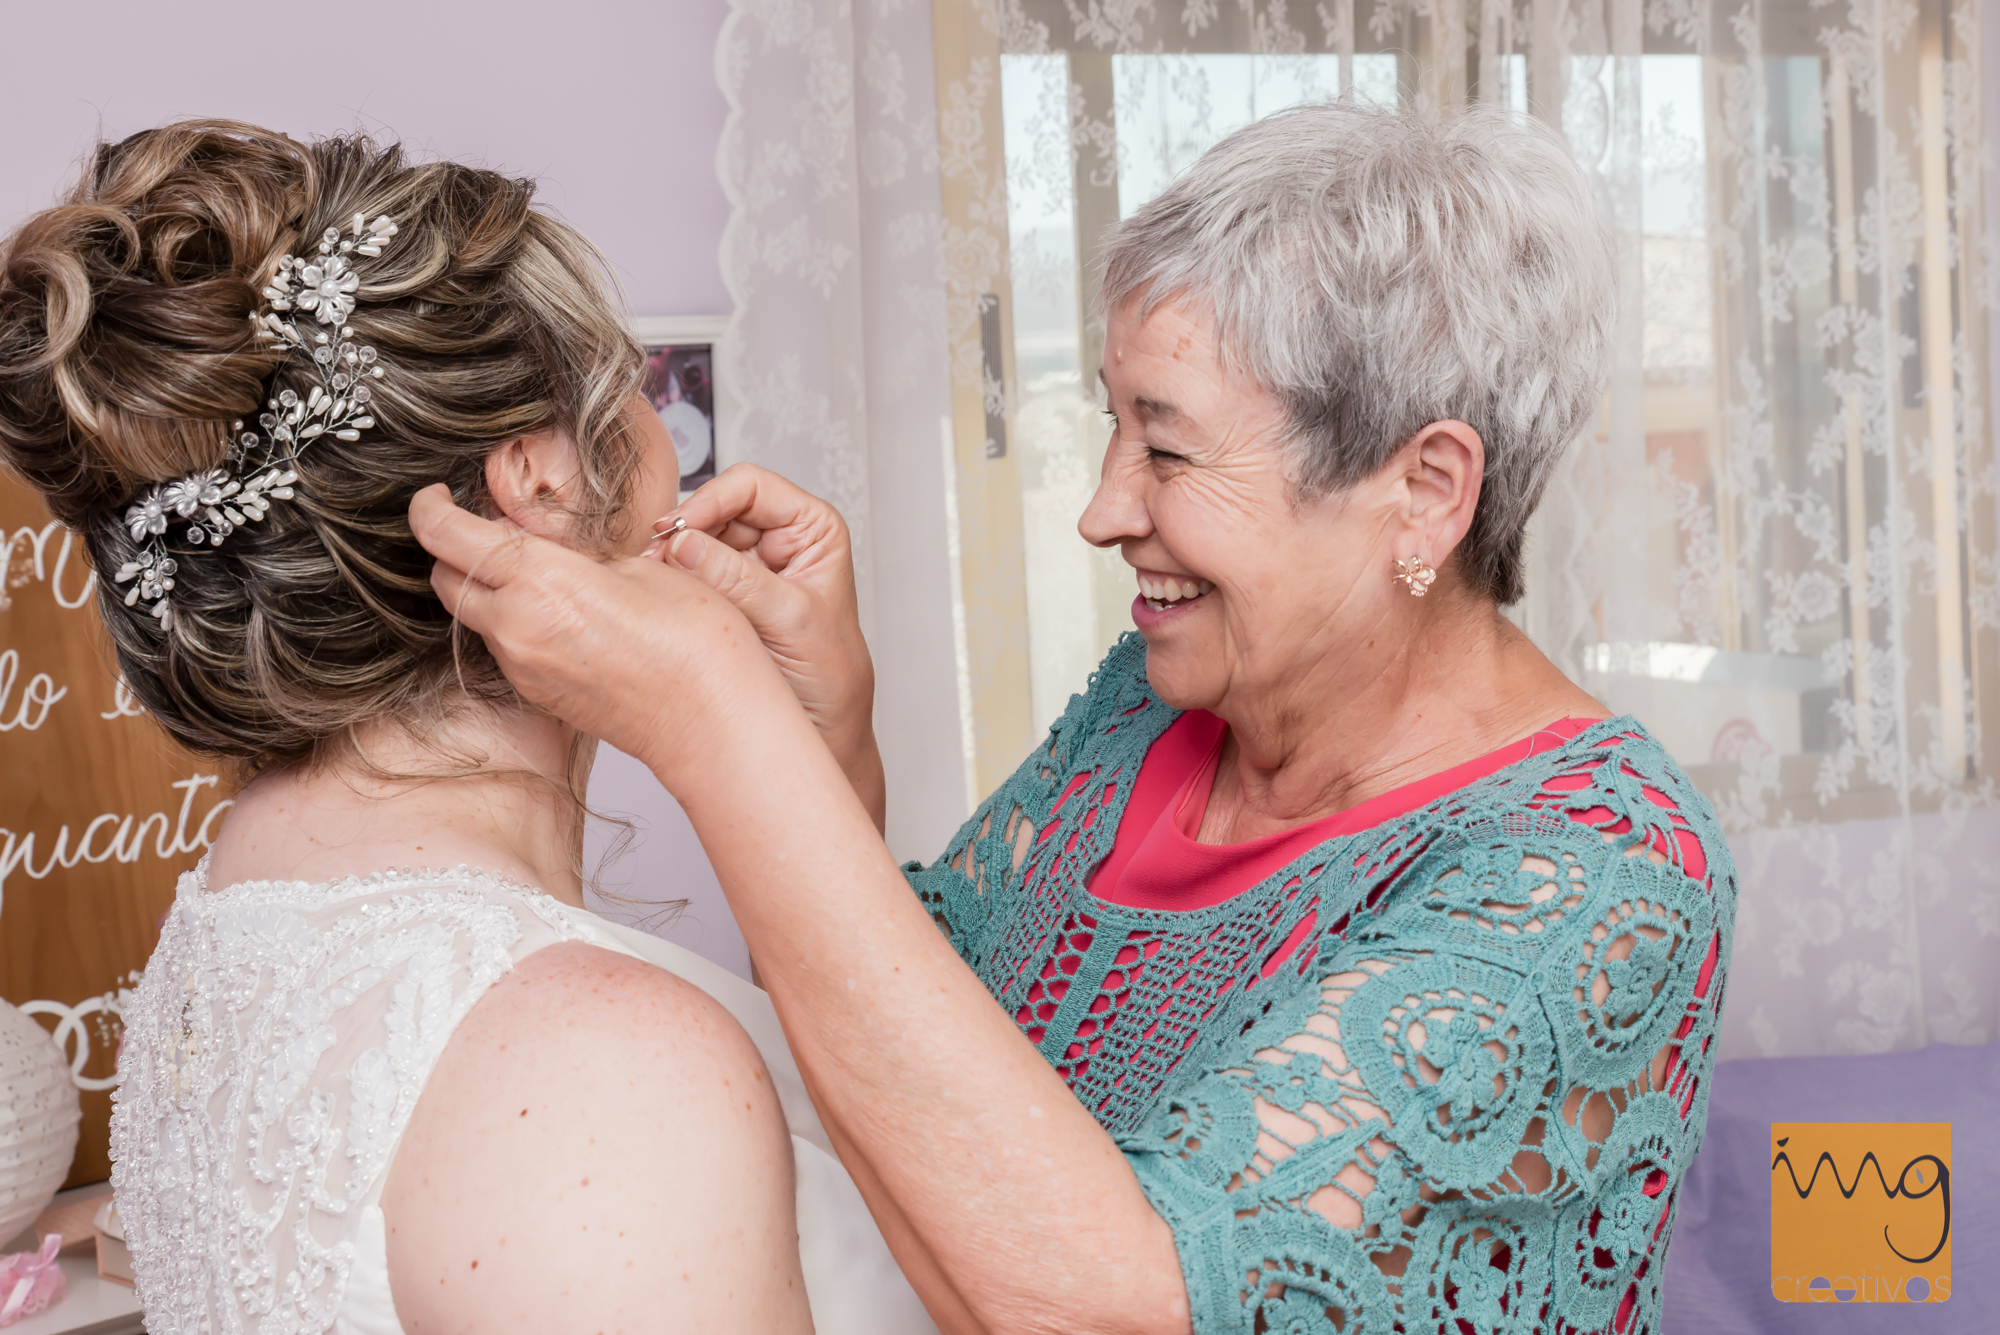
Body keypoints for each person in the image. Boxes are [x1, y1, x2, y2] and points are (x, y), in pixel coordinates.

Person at [413, 101, 1737, 1333]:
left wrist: (719, 724)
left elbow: (1117, 1300)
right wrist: (827, 738)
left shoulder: (1601, 872)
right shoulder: (1153, 705)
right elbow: (899, 1050)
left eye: (1166, 448)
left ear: (1426, 490)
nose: (1104, 509)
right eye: (1114, 428)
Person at [0, 121, 934, 1335]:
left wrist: (818, 761)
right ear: (541, 478)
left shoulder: (234, 918)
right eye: (635, 386)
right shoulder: (604, 1072)